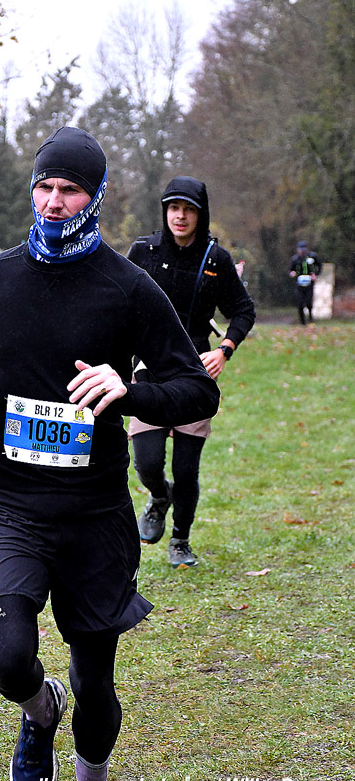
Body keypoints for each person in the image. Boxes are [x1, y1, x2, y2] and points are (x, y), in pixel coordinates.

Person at [0, 129, 220, 781]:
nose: (54, 201)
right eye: (44, 186)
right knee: (10, 661)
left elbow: (196, 390)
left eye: (69, 189)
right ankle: (40, 712)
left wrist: (128, 392)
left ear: (95, 197)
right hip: (12, 504)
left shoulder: (127, 287)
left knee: (96, 684)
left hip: (95, 514)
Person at [127, 176, 255, 567]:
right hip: (148, 371)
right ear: (164, 211)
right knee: (147, 462)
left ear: (201, 214)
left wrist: (224, 350)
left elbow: (243, 310)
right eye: (173, 208)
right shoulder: (143, 252)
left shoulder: (216, 260)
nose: (180, 216)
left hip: (194, 375)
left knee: (186, 469)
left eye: (188, 209)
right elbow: (118, 303)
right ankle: (158, 496)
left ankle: (180, 541)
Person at [289, 240, 322, 325]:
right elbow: (290, 269)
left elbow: (319, 265)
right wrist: (292, 273)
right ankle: (302, 322)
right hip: (299, 284)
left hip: (309, 283)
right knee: (300, 303)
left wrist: (315, 274)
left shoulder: (312, 257)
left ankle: (310, 319)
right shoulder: (295, 259)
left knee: (309, 302)